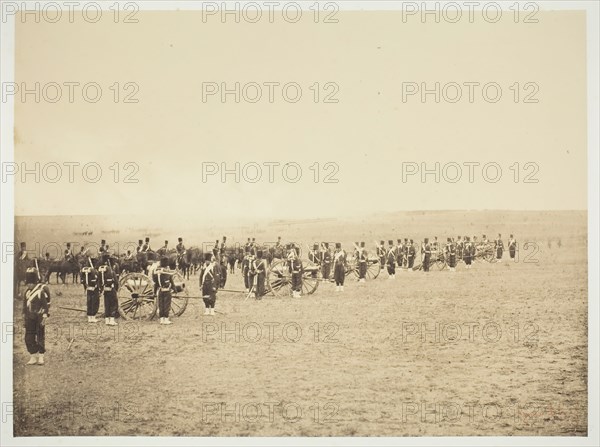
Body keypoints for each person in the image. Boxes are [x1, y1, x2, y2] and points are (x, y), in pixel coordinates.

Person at [22, 265, 50, 365]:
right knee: (29, 337)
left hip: (39, 317)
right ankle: (33, 355)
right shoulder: (26, 293)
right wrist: (24, 317)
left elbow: (45, 307)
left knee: (40, 336)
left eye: (31, 283)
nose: (29, 285)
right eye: (28, 283)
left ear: (34, 282)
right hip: (29, 318)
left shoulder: (40, 292)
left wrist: (44, 317)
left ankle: (41, 356)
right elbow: (24, 307)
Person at [154, 256, 177, 325]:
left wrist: (155, 292)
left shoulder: (157, 272)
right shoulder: (167, 272)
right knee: (167, 305)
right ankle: (166, 319)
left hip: (160, 291)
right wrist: (174, 289)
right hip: (167, 291)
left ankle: (161, 319)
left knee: (161, 305)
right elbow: (171, 281)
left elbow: (156, 284)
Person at [98, 254, 118, 326]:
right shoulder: (111, 271)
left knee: (107, 304)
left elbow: (99, 281)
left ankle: (107, 320)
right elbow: (116, 282)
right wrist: (116, 289)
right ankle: (112, 320)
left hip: (105, 290)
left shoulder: (101, 270)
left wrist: (101, 289)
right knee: (113, 304)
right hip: (111, 289)